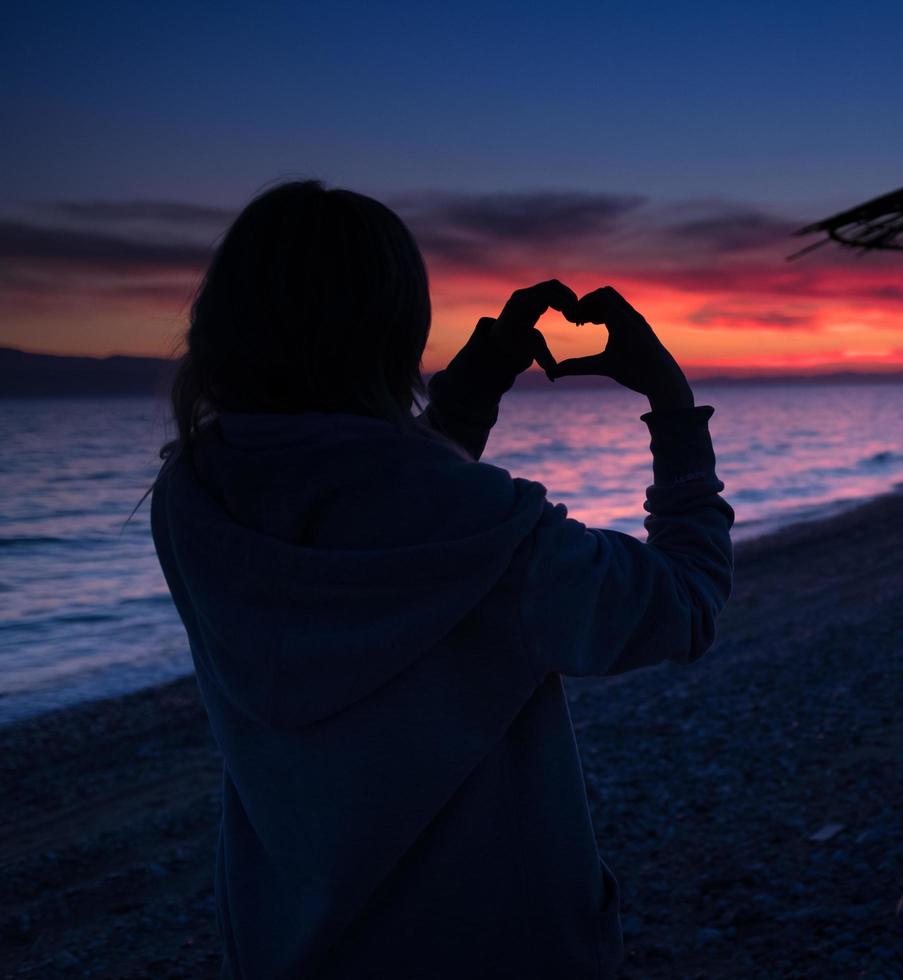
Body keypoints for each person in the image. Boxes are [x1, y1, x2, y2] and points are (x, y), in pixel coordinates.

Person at [149, 180, 735, 978]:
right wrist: (671, 403)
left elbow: (362, 504)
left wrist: (468, 395)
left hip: (287, 943)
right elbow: (684, 603)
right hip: (494, 944)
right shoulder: (498, 536)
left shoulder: (190, 501)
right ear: (396, 332)